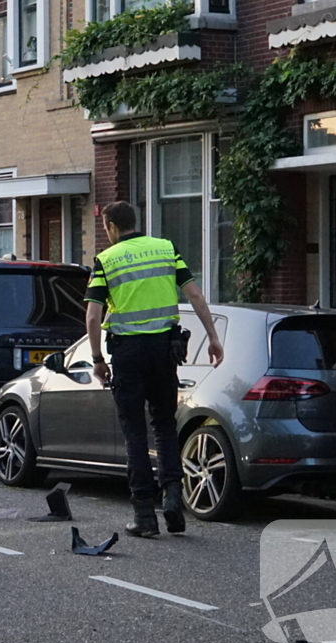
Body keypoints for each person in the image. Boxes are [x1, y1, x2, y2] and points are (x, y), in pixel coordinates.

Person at [84, 201, 224, 539]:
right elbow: (195, 295)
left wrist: (98, 359)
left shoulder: (106, 260)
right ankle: (174, 499)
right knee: (164, 425)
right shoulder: (166, 249)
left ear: (111, 227)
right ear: (136, 222)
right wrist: (213, 338)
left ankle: (144, 515)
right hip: (165, 352)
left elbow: (91, 316)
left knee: (134, 431)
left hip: (129, 355)